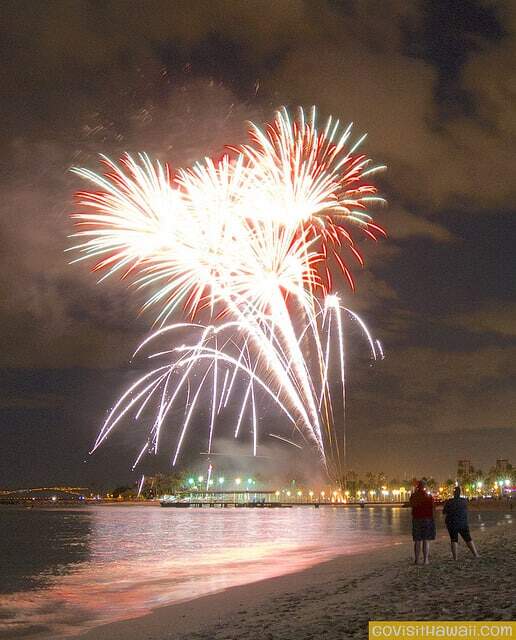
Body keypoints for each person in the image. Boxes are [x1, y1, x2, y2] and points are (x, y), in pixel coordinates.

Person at [442, 486, 479, 560]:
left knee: (454, 539)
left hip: (452, 523)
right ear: (460, 493)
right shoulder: (464, 501)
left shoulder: (449, 502)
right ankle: (475, 554)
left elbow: (444, 512)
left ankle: (455, 558)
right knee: (468, 538)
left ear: (454, 493)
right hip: (463, 523)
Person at [409, 480, 435, 565]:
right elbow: (432, 508)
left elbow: (411, 504)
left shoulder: (414, 496)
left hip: (416, 519)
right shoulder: (428, 496)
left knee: (417, 540)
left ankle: (416, 560)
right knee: (426, 540)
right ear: (424, 487)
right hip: (427, 519)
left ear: (418, 486)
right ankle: (425, 560)